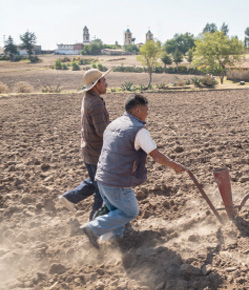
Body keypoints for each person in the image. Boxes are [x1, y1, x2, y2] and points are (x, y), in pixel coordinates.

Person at [80, 94, 186, 249]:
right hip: (117, 181)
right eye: (146, 110)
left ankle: (112, 243)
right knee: (129, 212)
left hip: (102, 177)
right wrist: (174, 165)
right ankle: (92, 229)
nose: (147, 114)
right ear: (137, 110)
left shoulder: (114, 124)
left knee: (115, 212)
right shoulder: (138, 130)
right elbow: (155, 155)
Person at [58, 68, 111, 221]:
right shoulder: (95, 103)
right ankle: (94, 223)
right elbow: (103, 131)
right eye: (104, 81)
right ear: (96, 84)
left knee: (95, 182)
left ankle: (69, 198)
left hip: (89, 150)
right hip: (97, 152)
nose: (106, 84)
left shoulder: (88, 98)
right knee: (102, 189)